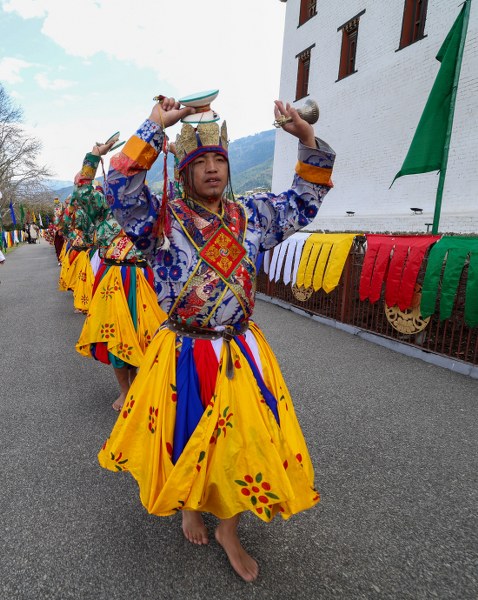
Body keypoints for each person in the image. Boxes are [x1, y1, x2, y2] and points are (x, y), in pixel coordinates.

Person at [98, 95, 335, 582]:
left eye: (218, 161)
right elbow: (118, 187)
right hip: (183, 349)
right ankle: (189, 506)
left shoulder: (255, 214)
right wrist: (153, 126)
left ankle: (228, 527)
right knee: (185, 437)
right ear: (183, 171)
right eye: (200, 162)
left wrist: (307, 140)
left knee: (242, 442)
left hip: (239, 349)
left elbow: (304, 202)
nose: (211, 169)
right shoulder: (158, 222)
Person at [73, 141, 166, 411]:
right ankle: (126, 391)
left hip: (145, 278)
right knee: (117, 340)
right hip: (113, 279)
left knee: (147, 336)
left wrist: (178, 154)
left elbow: (184, 199)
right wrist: (93, 157)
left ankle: (142, 386)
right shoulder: (103, 207)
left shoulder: (150, 207)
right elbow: (82, 191)